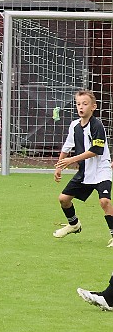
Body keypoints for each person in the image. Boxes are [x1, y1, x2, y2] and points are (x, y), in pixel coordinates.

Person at [52, 90, 113, 246]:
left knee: (104, 201)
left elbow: (96, 150)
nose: (81, 107)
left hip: (101, 170)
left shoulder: (97, 125)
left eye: (85, 104)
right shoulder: (74, 125)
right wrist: (59, 166)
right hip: (85, 172)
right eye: (78, 104)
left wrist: (71, 160)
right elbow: (66, 147)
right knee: (63, 199)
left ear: (93, 107)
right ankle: (74, 225)